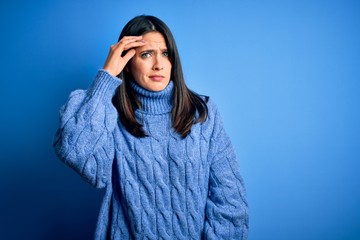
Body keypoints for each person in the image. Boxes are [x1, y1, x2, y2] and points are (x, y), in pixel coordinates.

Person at [53, 15, 249, 239]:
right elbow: (81, 159)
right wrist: (106, 77)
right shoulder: (108, 113)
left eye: (166, 54)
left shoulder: (202, 112)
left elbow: (230, 200)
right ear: (126, 64)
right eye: (146, 54)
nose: (159, 64)